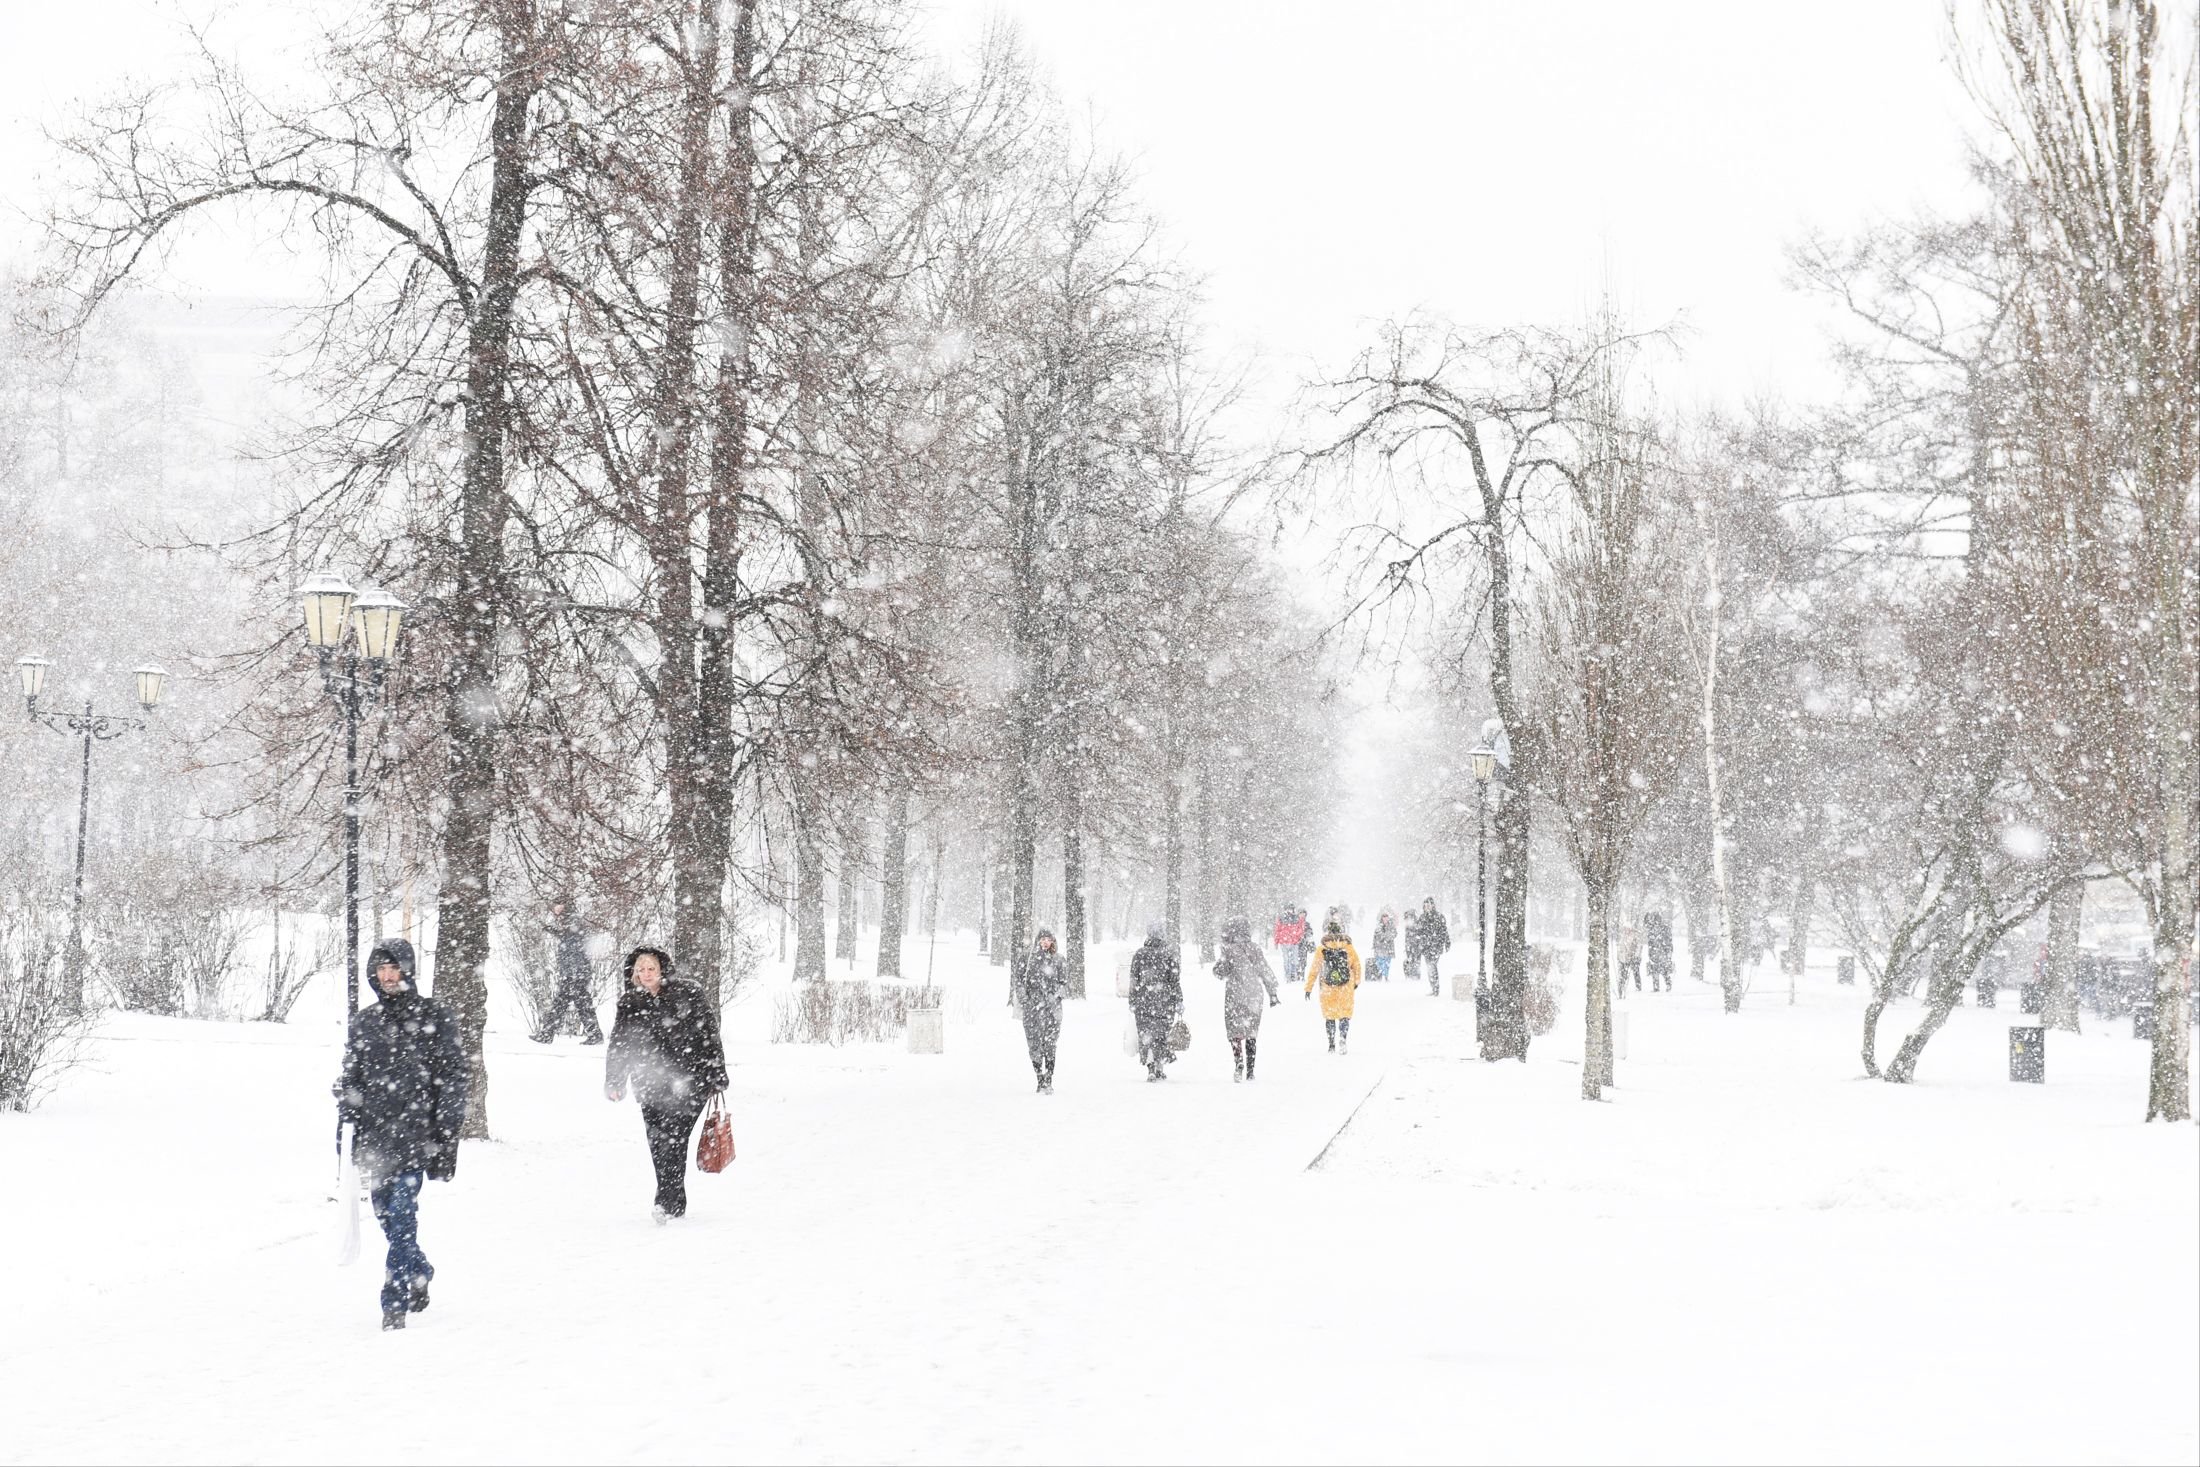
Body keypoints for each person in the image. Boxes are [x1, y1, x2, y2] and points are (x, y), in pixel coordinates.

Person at [334, 938, 467, 1331]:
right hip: (376, 1138)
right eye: (381, 969)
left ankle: (394, 1301)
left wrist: (445, 1138)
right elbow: (352, 1076)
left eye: (394, 968)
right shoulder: (365, 1021)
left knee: (403, 1216)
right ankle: (420, 1269)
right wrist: (346, 1124)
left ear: (407, 970)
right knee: (385, 1216)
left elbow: (453, 1081)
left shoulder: (435, 1016)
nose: (388, 976)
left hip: (416, 1134)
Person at [604, 946, 727, 1224]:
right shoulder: (630, 1002)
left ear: (662, 969)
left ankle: (666, 1203)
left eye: (651, 969)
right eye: (641, 970)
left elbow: (709, 1032)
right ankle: (672, 1202)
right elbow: (619, 1045)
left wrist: (717, 1073)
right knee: (658, 1143)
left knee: (674, 1138)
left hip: (690, 1080)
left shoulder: (689, 992)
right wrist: (615, 1080)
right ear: (634, 973)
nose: (646, 974)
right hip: (649, 1084)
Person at [1214, 916, 1281, 1080]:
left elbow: (1220, 972)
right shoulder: (1255, 949)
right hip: (1254, 995)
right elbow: (1265, 970)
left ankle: (1238, 1061)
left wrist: (1220, 965)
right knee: (1251, 1033)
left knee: (1235, 1031)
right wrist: (1272, 993)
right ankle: (1251, 1071)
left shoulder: (1228, 950)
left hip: (1234, 995)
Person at [532, 897, 603, 1044]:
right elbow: (569, 938)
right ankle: (594, 1034)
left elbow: (572, 942)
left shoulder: (572, 920)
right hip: (574, 971)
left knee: (565, 1003)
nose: (555, 909)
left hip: (575, 972)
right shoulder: (570, 919)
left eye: (557, 906)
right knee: (577, 1003)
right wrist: (553, 930)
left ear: (564, 906)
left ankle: (547, 1034)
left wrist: (571, 971)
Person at [1128, 923, 1183, 1081]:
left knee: (1146, 1036)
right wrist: (1178, 1000)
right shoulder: (1169, 954)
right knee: (1161, 1035)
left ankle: (1151, 1068)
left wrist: (1132, 999)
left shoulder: (1139, 955)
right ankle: (1159, 1066)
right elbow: (1174, 981)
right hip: (1164, 1003)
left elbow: (1133, 980)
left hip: (1143, 1001)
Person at [1017, 928, 1068, 1093]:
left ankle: (1049, 1077)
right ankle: (1039, 1076)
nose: (1046, 942)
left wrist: (1056, 996)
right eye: (1043, 939)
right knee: (1034, 1044)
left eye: (1049, 939)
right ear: (1037, 940)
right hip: (1032, 1009)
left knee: (1050, 1044)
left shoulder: (1059, 960)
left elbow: (1065, 983)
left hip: (1052, 1010)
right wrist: (1025, 1000)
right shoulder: (1027, 957)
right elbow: (1018, 981)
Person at [1304, 917, 1363, 1053]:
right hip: (1345, 987)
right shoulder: (1348, 948)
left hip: (1327, 987)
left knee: (1329, 1016)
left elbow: (1314, 969)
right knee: (1344, 1014)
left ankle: (1331, 1043)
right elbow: (1357, 966)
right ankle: (1343, 1038)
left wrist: (1308, 988)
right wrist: (1356, 982)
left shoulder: (1322, 949)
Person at [1404, 897, 1451, 996]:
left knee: (1432, 966)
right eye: (1425, 906)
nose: (1427, 907)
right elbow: (1418, 931)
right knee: (1430, 967)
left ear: (1433, 906)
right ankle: (1433, 987)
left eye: (1429, 905)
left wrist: (1447, 942)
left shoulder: (1439, 916)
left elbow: (1444, 931)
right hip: (1426, 947)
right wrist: (1416, 940)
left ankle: (1435, 988)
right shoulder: (1422, 917)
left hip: (1435, 946)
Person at [1644, 908, 1674, 993]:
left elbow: (1668, 941)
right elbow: (1646, 923)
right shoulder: (1652, 928)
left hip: (1660, 952)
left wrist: (1668, 951)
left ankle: (1666, 985)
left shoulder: (1663, 929)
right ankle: (1658, 986)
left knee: (1662, 970)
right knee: (1656, 970)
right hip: (1655, 952)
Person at [1369, 907, 1398, 981]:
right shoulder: (1378, 926)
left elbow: (1395, 934)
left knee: (1387, 962)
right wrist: (1374, 945)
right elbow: (1375, 936)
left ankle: (1386, 976)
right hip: (1380, 946)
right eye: (1384, 917)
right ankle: (1381, 975)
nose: (1385, 919)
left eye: (1386, 917)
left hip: (1389, 947)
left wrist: (1387, 937)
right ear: (1382, 918)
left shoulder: (1391, 926)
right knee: (1380, 962)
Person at [1617, 922, 1644, 995]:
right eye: (1624, 929)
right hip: (1625, 959)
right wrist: (1619, 957)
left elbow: (1639, 947)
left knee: (1636, 972)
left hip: (1634, 958)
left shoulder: (1635, 937)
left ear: (1630, 929)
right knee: (1623, 974)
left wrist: (1635, 956)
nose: (1626, 930)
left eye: (1627, 929)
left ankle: (1638, 987)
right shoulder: (1623, 937)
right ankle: (1621, 987)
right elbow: (1620, 948)